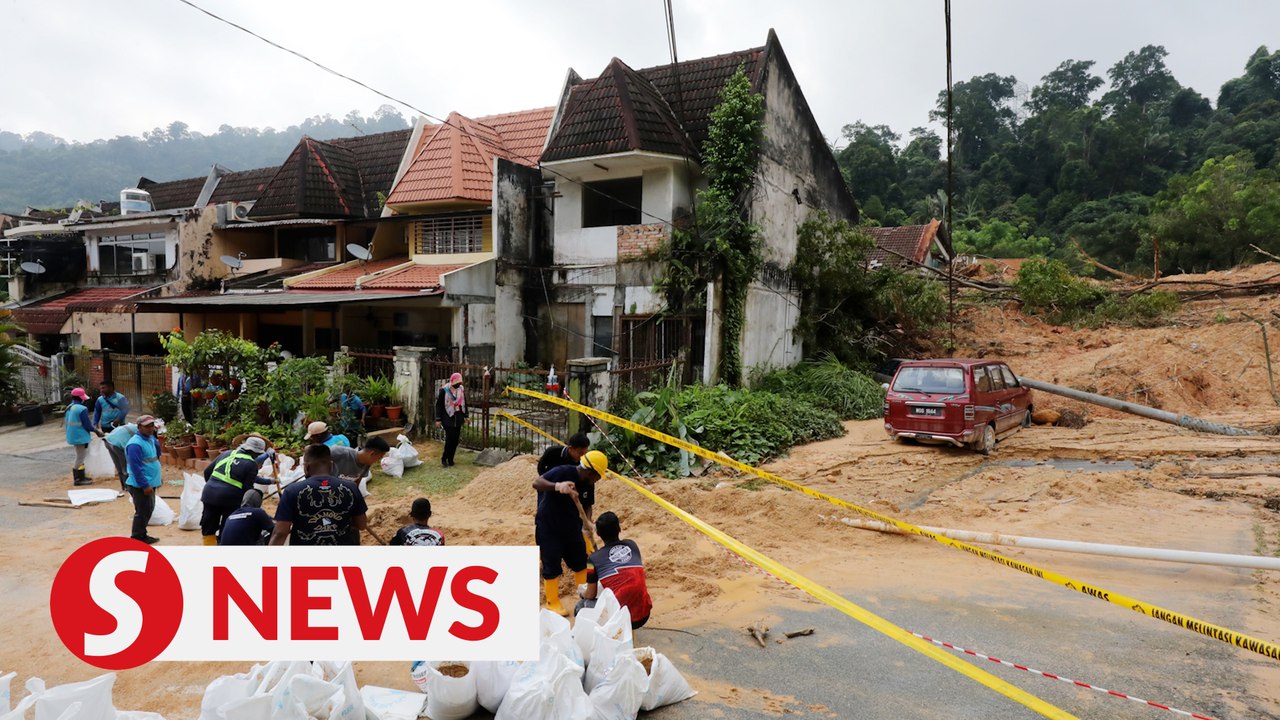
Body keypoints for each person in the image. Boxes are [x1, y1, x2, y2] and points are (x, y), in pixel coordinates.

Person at [531, 449, 608, 615]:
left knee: (582, 561)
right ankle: (553, 603)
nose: (598, 479)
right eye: (598, 475)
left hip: (572, 527)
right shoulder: (563, 471)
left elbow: (587, 505)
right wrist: (557, 486)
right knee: (551, 564)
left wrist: (587, 522)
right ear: (589, 471)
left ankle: (586, 594)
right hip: (549, 527)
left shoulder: (589, 483)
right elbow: (537, 483)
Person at [270, 443, 368, 546]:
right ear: (331, 464)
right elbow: (361, 524)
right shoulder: (350, 488)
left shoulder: (292, 491)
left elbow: (280, 532)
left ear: (306, 466)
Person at [574, 512, 652, 629]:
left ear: (599, 534)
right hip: (644, 614)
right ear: (619, 529)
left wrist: (582, 593)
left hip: (620, 620)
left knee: (581, 606)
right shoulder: (632, 545)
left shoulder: (592, 560)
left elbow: (590, 595)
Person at [201, 435, 276, 546]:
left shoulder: (226, 454)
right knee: (227, 525)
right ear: (256, 453)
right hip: (231, 499)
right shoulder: (251, 464)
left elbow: (207, 472)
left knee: (208, 527)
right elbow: (247, 489)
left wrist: (214, 487)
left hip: (209, 494)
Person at [123, 415, 161, 544]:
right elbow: (136, 468)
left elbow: (155, 456)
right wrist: (145, 485)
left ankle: (142, 535)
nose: (150, 429)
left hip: (150, 481)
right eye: (146, 426)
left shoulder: (149, 439)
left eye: (152, 426)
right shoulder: (135, 444)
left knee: (148, 510)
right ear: (139, 427)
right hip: (140, 485)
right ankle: (137, 538)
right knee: (142, 512)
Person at [65, 387, 104, 486]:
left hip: (72, 435)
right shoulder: (82, 409)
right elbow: (87, 424)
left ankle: (81, 476)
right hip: (80, 435)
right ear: (80, 398)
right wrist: (97, 431)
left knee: (80, 455)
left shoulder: (69, 407)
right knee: (80, 456)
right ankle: (78, 479)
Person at [435, 372, 466, 467]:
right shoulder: (444, 390)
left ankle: (451, 459)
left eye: (460, 383)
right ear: (452, 381)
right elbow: (439, 405)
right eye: (457, 383)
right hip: (447, 417)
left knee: (455, 440)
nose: (459, 385)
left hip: (458, 417)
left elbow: (465, 402)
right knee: (450, 439)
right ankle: (445, 458)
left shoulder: (461, 389)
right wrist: (438, 419)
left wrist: (466, 415)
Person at [104, 422, 138, 491]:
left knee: (118, 465)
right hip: (117, 444)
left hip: (107, 440)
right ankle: (128, 487)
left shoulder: (133, 426)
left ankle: (124, 486)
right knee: (125, 465)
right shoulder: (139, 431)